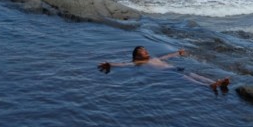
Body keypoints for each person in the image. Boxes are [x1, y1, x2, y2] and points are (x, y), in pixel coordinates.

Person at [98, 46, 231, 91]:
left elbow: (167, 56)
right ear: (137, 56)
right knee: (188, 78)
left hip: (176, 68)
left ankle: (214, 82)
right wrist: (110, 64)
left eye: (145, 50)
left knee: (194, 74)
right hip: (169, 73)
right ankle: (208, 87)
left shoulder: (154, 59)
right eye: (142, 51)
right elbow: (125, 64)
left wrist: (178, 53)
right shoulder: (140, 63)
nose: (145, 52)